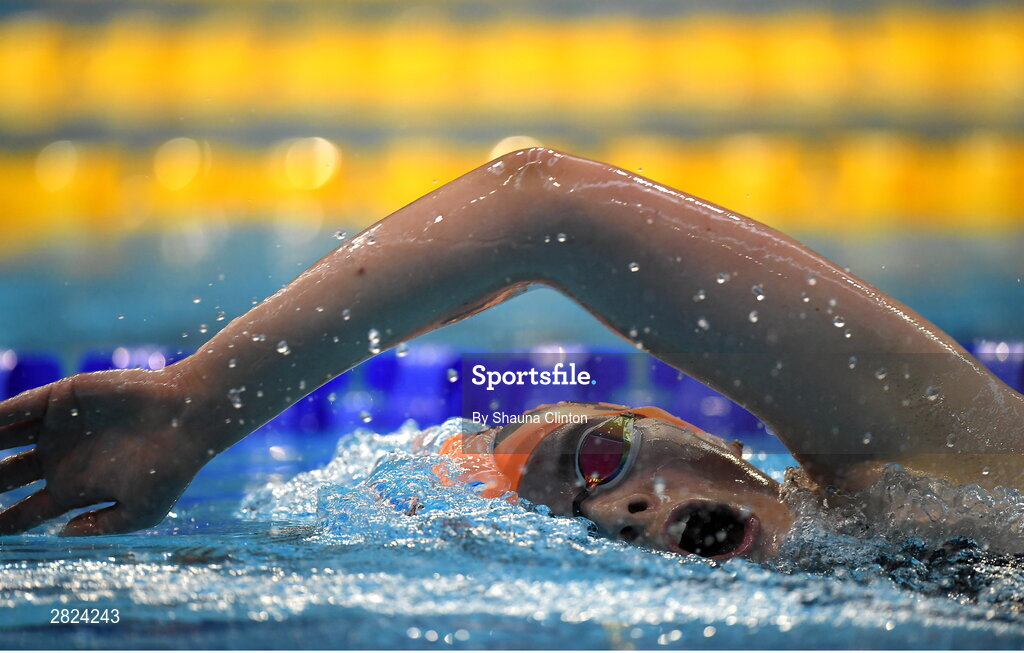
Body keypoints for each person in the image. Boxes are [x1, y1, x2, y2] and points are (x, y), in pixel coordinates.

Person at [1, 148, 1022, 556]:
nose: (620, 511)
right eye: (581, 530)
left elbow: (545, 205)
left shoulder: (912, 456)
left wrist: (198, 404)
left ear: (675, 427)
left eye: (591, 461)